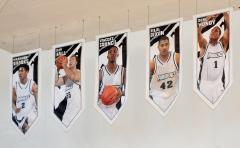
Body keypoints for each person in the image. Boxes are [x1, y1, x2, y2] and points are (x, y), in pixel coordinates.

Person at [197, 12, 229, 104]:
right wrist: (207, 19)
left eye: (216, 31)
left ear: (219, 35)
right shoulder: (204, 45)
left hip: (218, 84)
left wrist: (225, 12)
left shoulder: (222, 44)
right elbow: (198, 32)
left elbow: (228, 29)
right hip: (205, 85)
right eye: (212, 30)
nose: (212, 32)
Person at [149, 35, 180, 112]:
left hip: (174, 96)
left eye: (166, 44)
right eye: (162, 45)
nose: (164, 47)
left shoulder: (176, 57)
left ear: (169, 45)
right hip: (158, 98)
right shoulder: (152, 63)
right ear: (158, 47)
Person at [98, 45, 126, 120]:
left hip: (116, 108)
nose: (112, 53)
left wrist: (121, 93)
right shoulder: (101, 71)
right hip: (102, 107)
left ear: (118, 55)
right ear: (107, 56)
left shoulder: (123, 71)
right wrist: (100, 95)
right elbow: (93, 90)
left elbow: (129, 91)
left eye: (115, 51)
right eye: (110, 52)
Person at [54, 54, 81, 127]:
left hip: (78, 112)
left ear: (76, 62)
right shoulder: (66, 78)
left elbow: (74, 77)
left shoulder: (79, 72)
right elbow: (55, 82)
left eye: (72, 59)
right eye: (69, 60)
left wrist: (64, 66)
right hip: (68, 112)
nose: (70, 61)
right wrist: (57, 68)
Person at [12, 64, 38, 134]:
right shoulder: (15, 86)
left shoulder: (32, 84)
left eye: (22, 70)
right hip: (20, 117)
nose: (19, 73)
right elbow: (12, 102)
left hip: (31, 115)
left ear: (27, 72)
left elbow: (38, 101)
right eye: (19, 71)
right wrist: (15, 109)